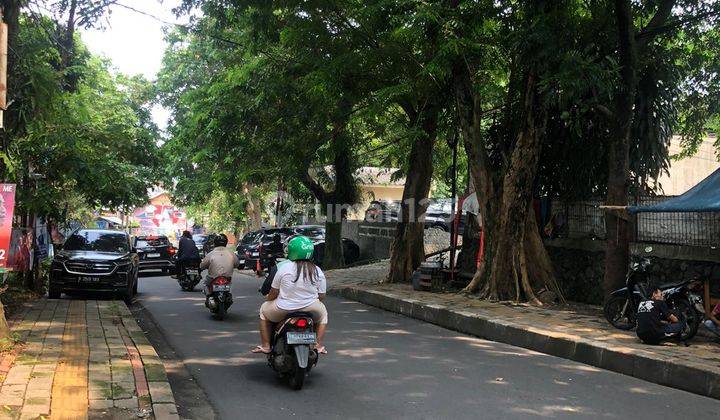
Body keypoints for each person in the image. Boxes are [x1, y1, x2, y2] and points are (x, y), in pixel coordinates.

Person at [252, 236, 328, 355]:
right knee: (323, 315)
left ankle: (266, 346)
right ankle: (318, 345)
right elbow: (322, 295)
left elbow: (274, 292)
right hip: (312, 309)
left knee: (263, 311)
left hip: (284, 309)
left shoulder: (284, 268)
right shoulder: (317, 270)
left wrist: (268, 299)